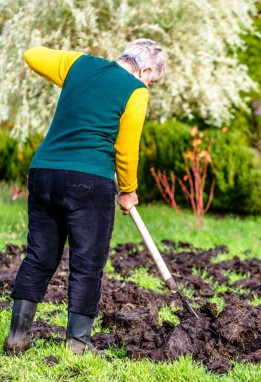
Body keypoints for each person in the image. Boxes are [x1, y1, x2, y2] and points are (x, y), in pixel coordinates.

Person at [3, 39, 167, 355]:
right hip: (89, 180)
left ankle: (17, 337)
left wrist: (70, 69)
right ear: (145, 69)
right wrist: (129, 189)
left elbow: (31, 54)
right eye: (151, 80)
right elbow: (126, 148)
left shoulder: (80, 64)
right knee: (87, 262)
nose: (148, 85)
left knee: (39, 255)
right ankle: (78, 344)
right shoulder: (135, 90)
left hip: (44, 172)